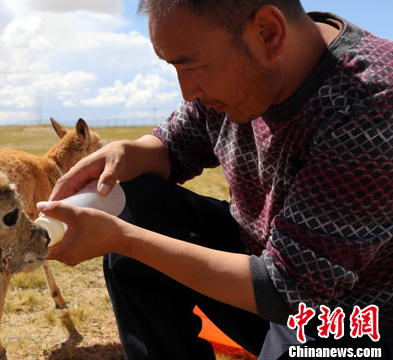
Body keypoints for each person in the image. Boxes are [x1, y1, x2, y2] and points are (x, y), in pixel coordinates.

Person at [38, 1, 393, 359]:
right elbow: (174, 145)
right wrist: (128, 153)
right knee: (133, 204)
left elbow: (290, 288)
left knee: (130, 237)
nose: (187, 90)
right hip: (271, 276)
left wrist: (124, 240)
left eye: (191, 65)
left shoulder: (371, 100)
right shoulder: (242, 67)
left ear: (268, 33)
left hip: (352, 321)